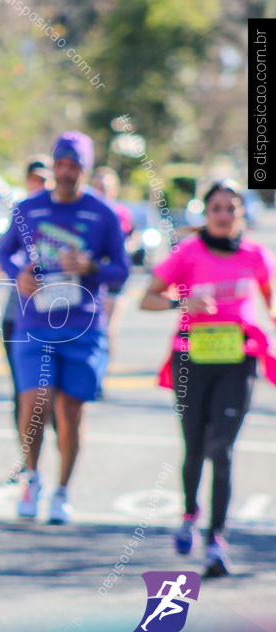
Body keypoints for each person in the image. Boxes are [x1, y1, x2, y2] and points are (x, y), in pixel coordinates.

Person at [140, 180, 276, 577]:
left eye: (230, 208)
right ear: (206, 213)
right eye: (215, 207)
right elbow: (146, 298)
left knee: (223, 448)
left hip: (238, 361)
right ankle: (188, 514)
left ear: (240, 214)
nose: (223, 214)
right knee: (195, 445)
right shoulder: (188, 253)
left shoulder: (255, 254)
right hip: (191, 360)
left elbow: (271, 296)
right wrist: (184, 302)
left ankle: (217, 539)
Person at [0, 131, 129, 524]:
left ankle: (63, 491)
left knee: (70, 412)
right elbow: (4, 252)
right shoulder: (28, 208)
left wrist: (92, 268)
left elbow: (122, 270)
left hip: (82, 325)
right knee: (34, 401)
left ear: (85, 170)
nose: (67, 172)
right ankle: (32, 478)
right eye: (61, 165)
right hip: (34, 321)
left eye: (75, 166)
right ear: (53, 166)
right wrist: (17, 273)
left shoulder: (102, 213)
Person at [3, 155, 55, 479]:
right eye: (34, 178)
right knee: (23, 393)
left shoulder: (69, 217)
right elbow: (3, 255)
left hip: (61, 319)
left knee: (58, 398)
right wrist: (18, 273)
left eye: (45, 179)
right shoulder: (22, 214)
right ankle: (27, 460)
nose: (40, 184)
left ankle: (60, 456)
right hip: (18, 316)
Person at [90, 167, 134, 362]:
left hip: (112, 275)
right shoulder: (86, 210)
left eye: (106, 187)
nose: (102, 191)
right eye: (98, 187)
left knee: (106, 326)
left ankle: (102, 373)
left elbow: (128, 238)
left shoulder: (120, 213)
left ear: (115, 189)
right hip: (89, 274)